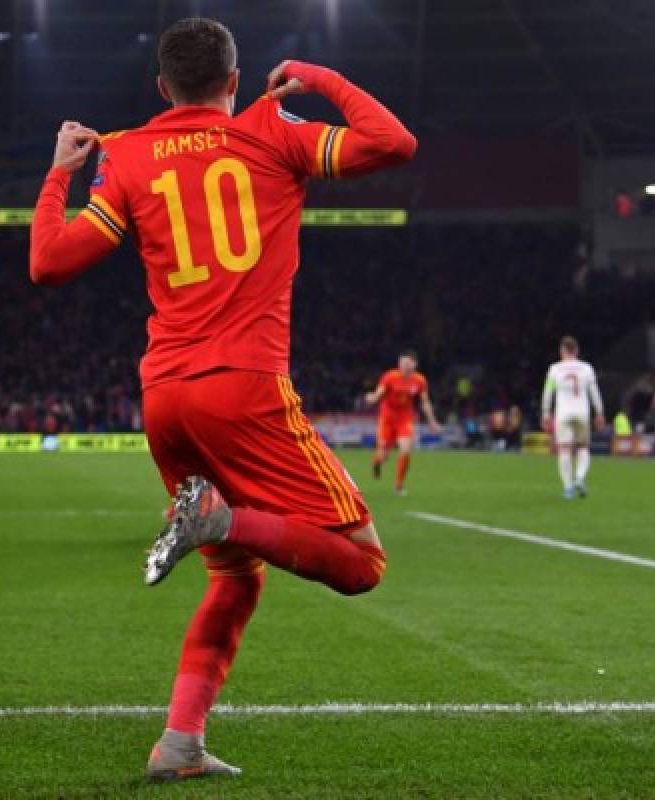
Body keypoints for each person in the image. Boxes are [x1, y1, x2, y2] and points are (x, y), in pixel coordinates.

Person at [29, 17, 415, 782]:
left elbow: (47, 264)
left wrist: (57, 174)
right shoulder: (273, 129)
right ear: (235, 82)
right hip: (245, 388)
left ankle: (179, 743)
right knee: (364, 563)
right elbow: (395, 143)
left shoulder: (129, 152)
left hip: (164, 397)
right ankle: (221, 518)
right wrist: (319, 75)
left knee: (234, 575)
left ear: (161, 87)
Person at [365, 350, 441, 494]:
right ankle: (376, 463)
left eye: (407, 363)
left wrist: (432, 421)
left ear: (415, 364)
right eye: (402, 363)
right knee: (383, 455)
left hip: (405, 418)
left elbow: (425, 402)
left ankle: (398, 485)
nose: (404, 366)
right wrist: (372, 398)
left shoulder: (420, 380)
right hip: (387, 418)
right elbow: (379, 393)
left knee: (406, 449)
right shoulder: (390, 376)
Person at [541, 335, 605, 498]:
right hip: (582, 412)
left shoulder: (554, 369)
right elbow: (594, 392)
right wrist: (599, 412)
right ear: (576, 351)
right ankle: (580, 478)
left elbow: (548, 393)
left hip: (563, 413)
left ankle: (568, 488)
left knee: (564, 449)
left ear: (562, 351)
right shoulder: (586, 368)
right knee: (583, 447)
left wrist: (546, 413)